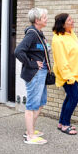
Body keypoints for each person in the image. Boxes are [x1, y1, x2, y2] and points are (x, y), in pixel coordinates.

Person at [14, 8, 50, 145]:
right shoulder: (32, 34)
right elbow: (18, 51)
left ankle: (31, 130)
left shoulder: (39, 34)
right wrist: (31, 63)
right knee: (32, 105)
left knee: (40, 103)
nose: (47, 19)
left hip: (42, 73)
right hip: (35, 74)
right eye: (44, 17)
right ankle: (29, 136)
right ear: (37, 20)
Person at [52, 13, 78, 135]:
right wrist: (68, 77)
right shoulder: (58, 39)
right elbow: (61, 61)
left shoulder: (71, 34)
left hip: (75, 73)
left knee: (69, 98)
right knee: (74, 98)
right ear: (63, 24)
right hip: (68, 75)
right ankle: (65, 125)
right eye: (69, 20)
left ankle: (61, 123)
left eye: (72, 19)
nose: (72, 21)